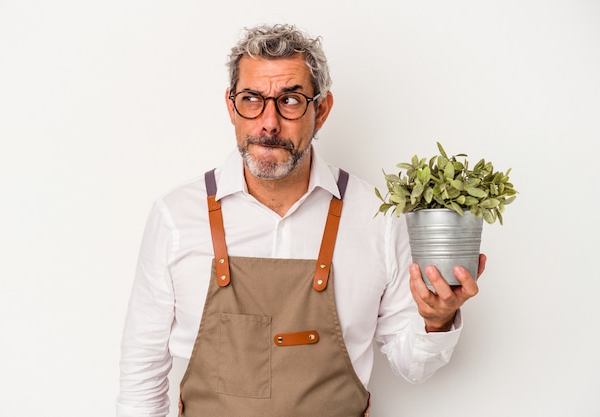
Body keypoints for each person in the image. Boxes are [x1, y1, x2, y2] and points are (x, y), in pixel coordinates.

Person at [116, 23, 485, 417]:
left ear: (321, 110)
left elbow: (412, 365)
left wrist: (437, 320)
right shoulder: (176, 216)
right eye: (251, 99)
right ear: (230, 106)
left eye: (289, 100)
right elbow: (142, 371)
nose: (269, 122)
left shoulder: (374, 216)